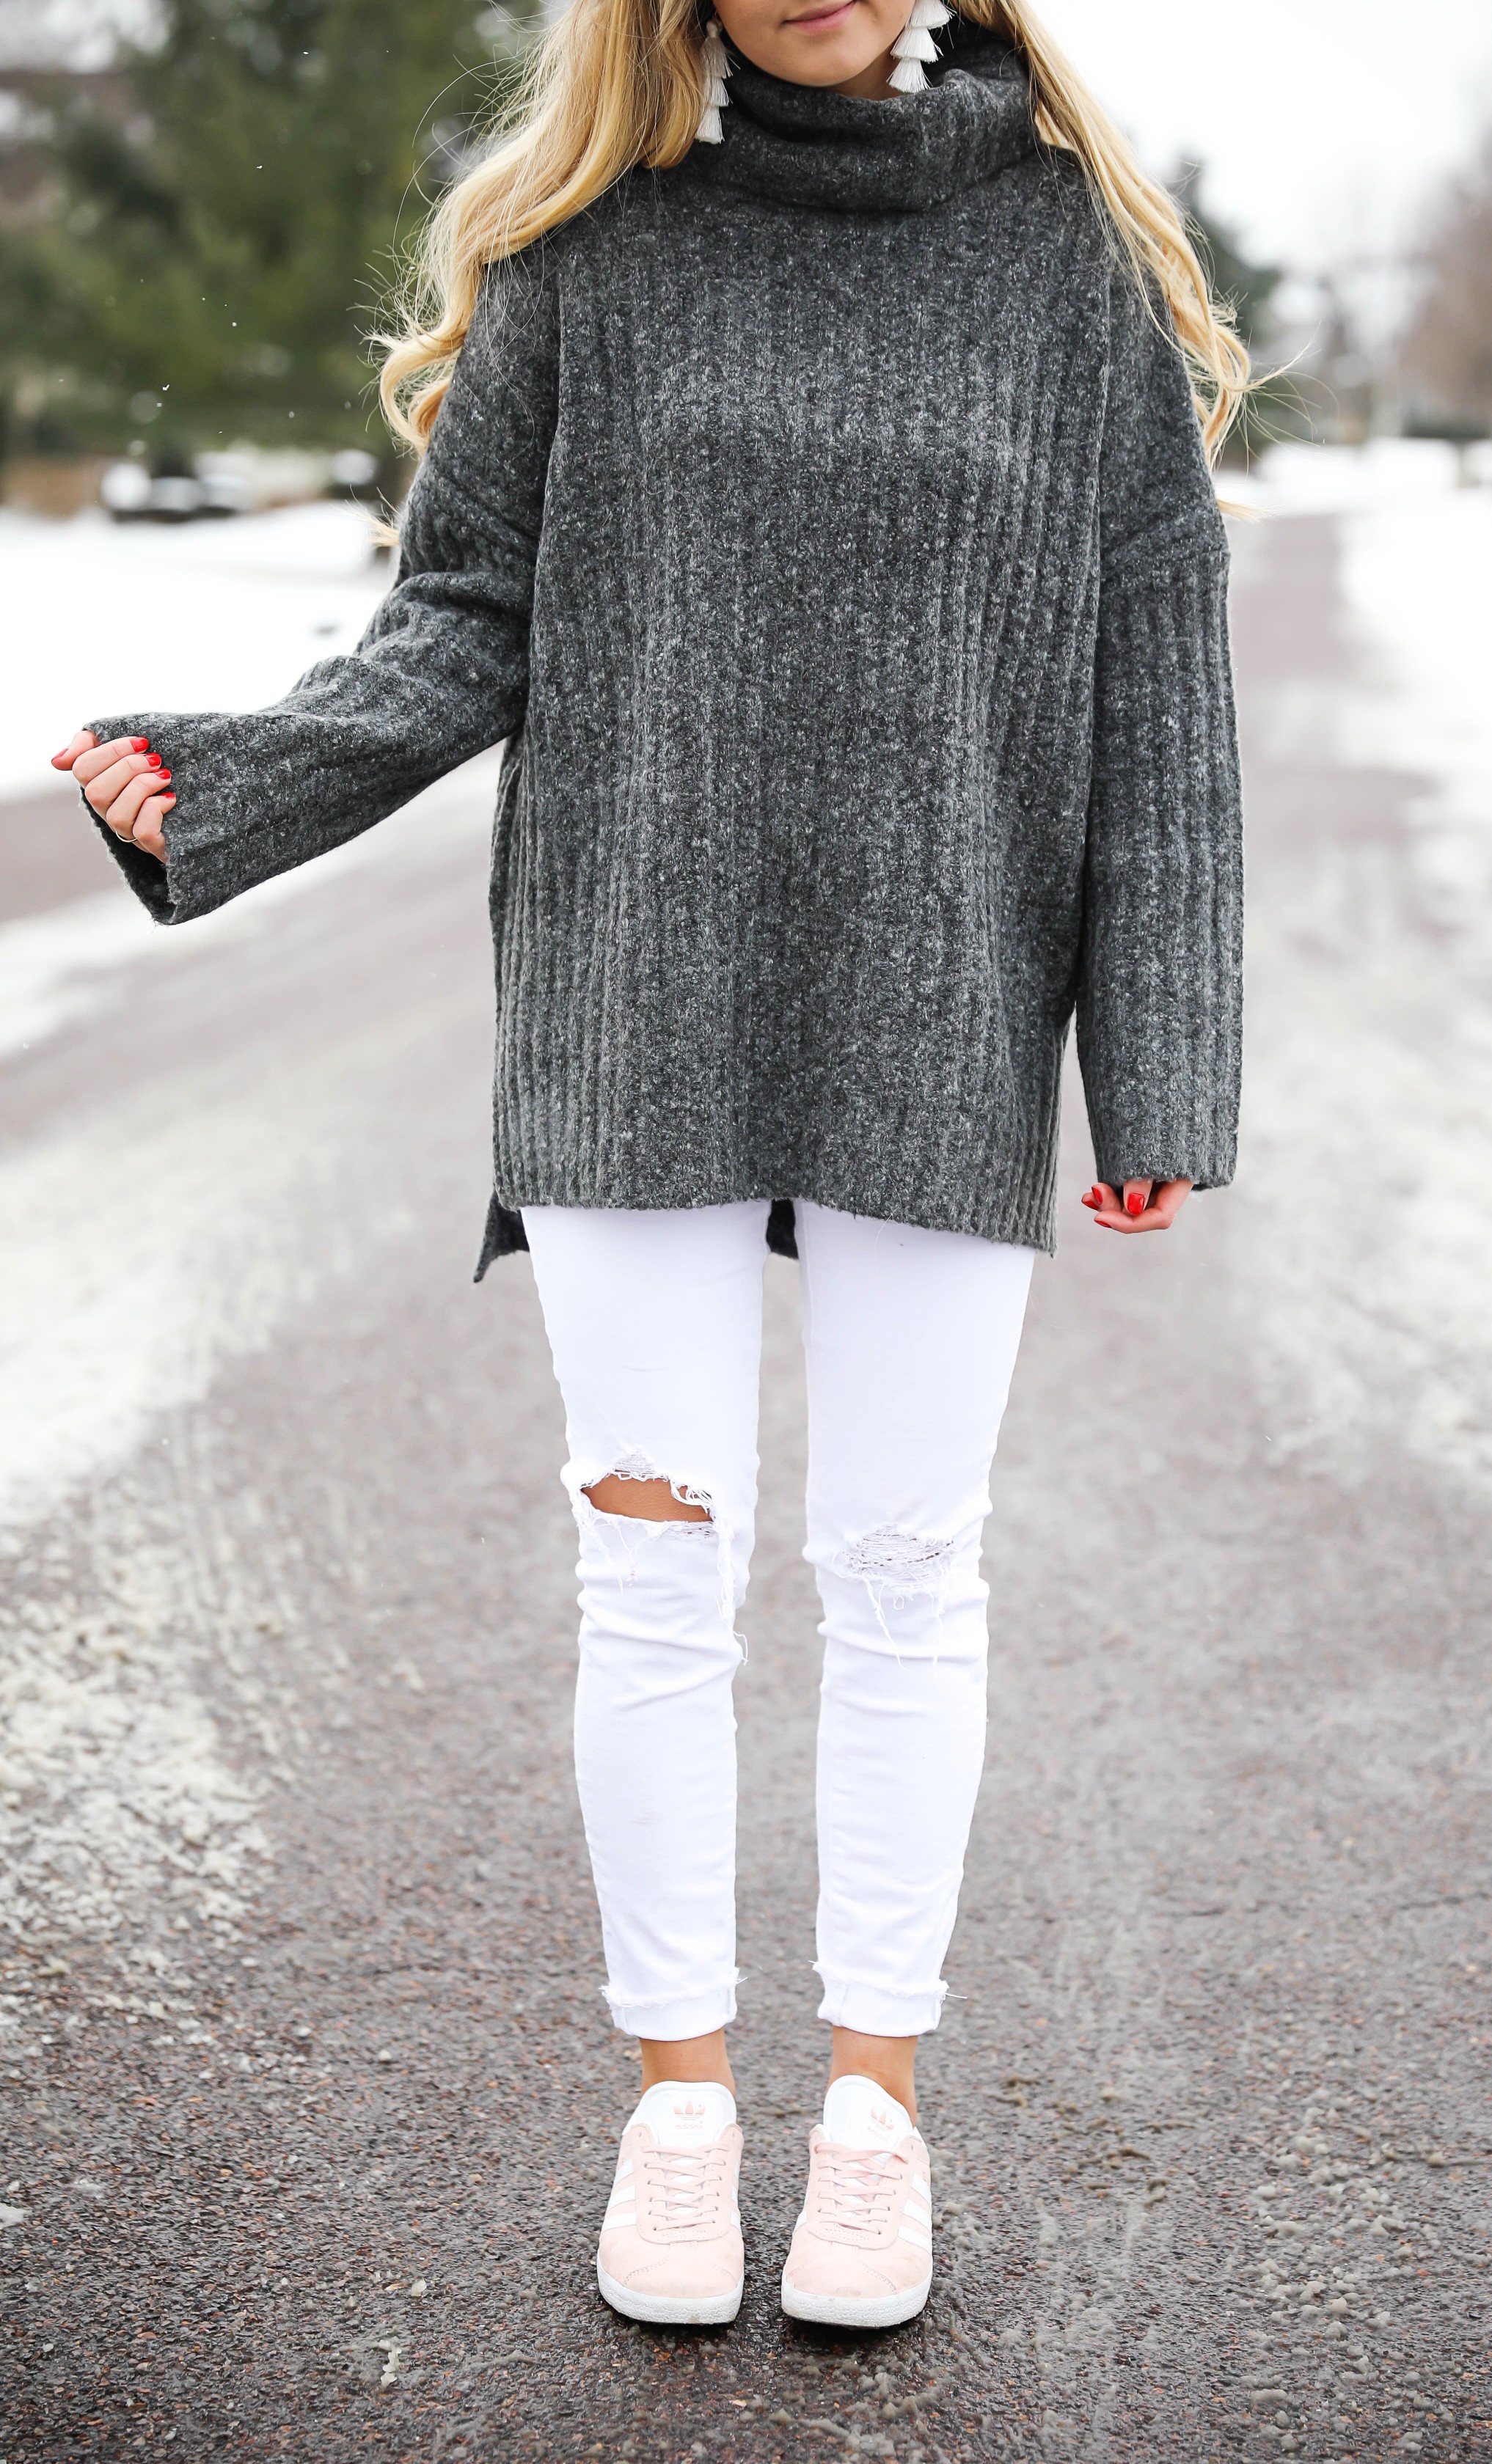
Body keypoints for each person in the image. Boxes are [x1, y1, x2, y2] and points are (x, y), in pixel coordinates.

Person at [52, 0, 1244, 2334]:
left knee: (907, 1571)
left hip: (945, 1000)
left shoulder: (1070, 268)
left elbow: (1160, 670)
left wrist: (1164, 1059)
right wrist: (241, 781)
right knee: (654, 1585)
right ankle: (683, 2108)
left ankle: (873, 2116)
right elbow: (464, 615)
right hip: (633, 992)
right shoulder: (598, 256)